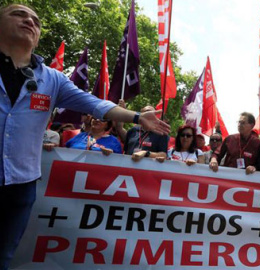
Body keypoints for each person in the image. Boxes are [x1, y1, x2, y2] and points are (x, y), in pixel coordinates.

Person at [0, 4, 170, 268]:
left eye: (35, 19)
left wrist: (138, 117)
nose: (29, 20)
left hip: (20, 186)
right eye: (18, 14)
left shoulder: (52, 80)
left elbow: (96, 105)